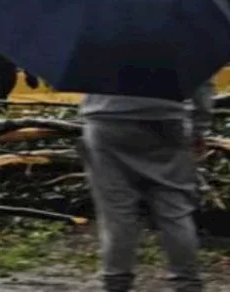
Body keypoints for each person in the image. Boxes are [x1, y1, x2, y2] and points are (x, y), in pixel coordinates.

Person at [80, 82, 213, 292]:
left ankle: (116, 282)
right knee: (175, 211)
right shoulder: (182, 47)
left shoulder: (98, 47)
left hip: (106, 121)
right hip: (168, 121)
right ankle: (187, 283)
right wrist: (198, 128)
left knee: (117, 212)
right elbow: (202, 84)